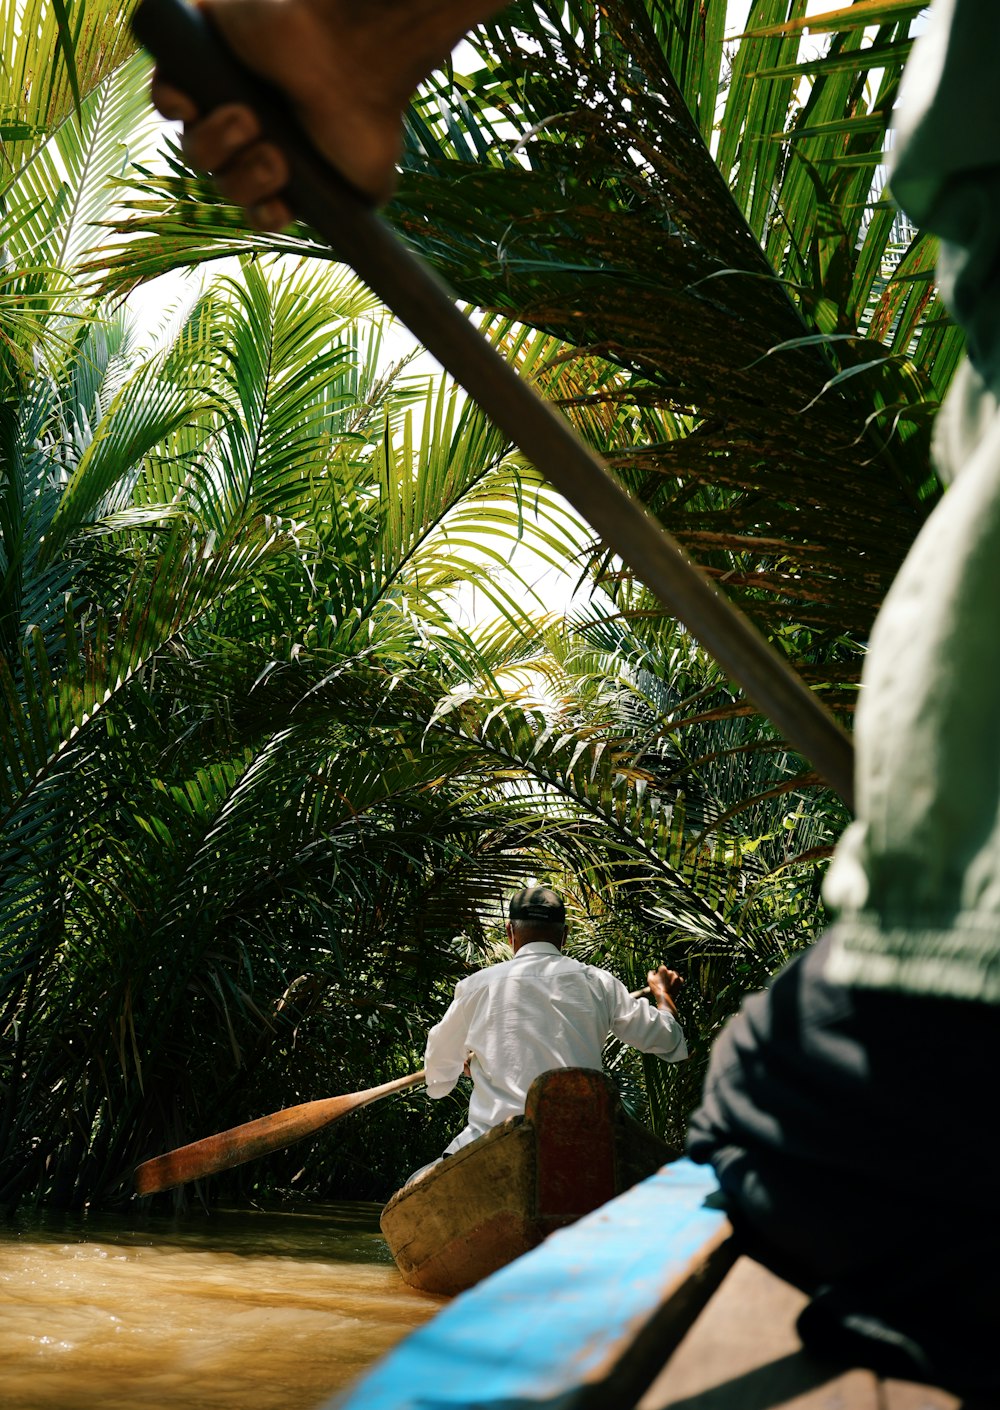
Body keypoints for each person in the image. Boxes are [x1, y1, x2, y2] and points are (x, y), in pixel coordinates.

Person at [153, 0, 1000, 1390]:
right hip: (632, 1125)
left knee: (729, 1110)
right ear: (558, 928)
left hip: (909, 1072)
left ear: (506, 927)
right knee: (701, 1090)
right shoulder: (596, 978)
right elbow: (652, 1038)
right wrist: (658, 994)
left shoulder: (485, 990)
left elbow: (433, 1088)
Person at [406, 885, 686, 1182]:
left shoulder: (477, 986)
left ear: (510, 932)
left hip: (492, 1143)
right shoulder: (599, 983)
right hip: (581, 1146)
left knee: (415, 1183)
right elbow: (668, 1039)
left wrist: (458, 1069)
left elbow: (438, 1075)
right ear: (564, 935)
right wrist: (664, 996)